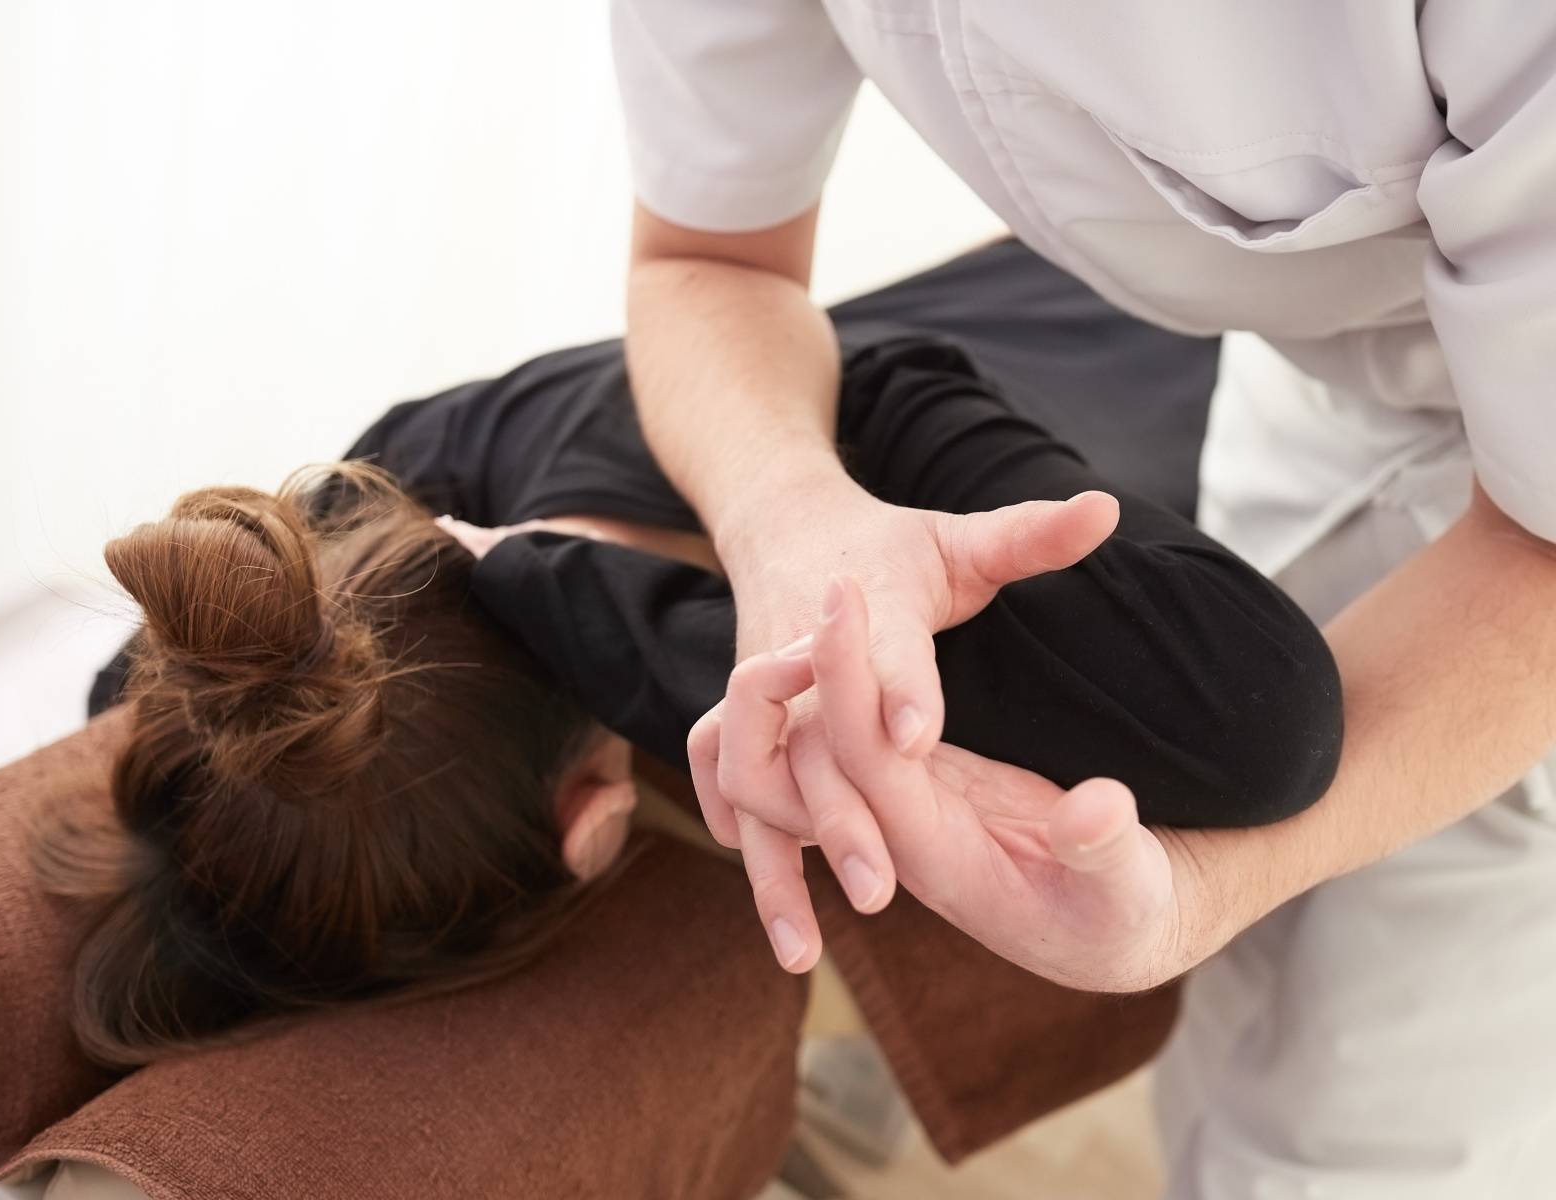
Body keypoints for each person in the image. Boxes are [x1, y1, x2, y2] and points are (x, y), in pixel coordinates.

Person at [610, 3, 1556, 1195]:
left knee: (1365, 1133)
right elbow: (706, 260)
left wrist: (1203, 894)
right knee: (1235, 999)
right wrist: (784, 516)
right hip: (1307, 373)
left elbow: (1545, 554)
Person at [53, 285, 1338, 1066]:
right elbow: (135, 684)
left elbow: (1270, 728)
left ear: (593, 829)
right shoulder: (411, 485)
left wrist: (619, 619)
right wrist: (555, 585)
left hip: (1304, 396)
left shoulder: (877, 650)